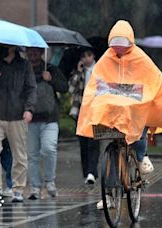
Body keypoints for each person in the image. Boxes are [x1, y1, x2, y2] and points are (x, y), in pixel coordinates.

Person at [76, 20, 162, 209]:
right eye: (115, 47)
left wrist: (143, 95)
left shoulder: (140, 58)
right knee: (111, 155)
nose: (119, 51)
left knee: (140, 124)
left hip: (134, 108)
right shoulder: (107, 58)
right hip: (115, 113)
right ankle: (108, 195)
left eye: (123, 47)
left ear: (131, 44)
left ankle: (141, 155)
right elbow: (95, 84)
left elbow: (153, 78)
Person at [0, 45, 37, 203]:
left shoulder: (24, 65)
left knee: (19, 155)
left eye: (5, 45)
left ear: (13, 47)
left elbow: (31, 89)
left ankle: (18, 189)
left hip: (17, 116)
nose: (1, 48)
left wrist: (29, 109)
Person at [26, 47, 68, 199]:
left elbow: (64, 87)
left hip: (50, 118)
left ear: (41, 53)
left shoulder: (51, 69)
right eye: (29, 52)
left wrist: (51, 79)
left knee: (49, 149)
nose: (32, 55)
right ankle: (35, 187)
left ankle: (50, 181)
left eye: (36, 52)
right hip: (30, 119)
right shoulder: (24, 70)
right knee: (32, 155)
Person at [69, 49, 101, 185]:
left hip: (96, 110)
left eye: (89, 55)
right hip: (81, 110)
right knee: (83, 142)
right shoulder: (79, 72)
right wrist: (78, 71)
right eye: (84, 56)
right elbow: (71, 88)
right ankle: (86, 171)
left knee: (94, 142)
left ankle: (92, 172)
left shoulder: (100, 69)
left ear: (93, 55)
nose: (86, 58)